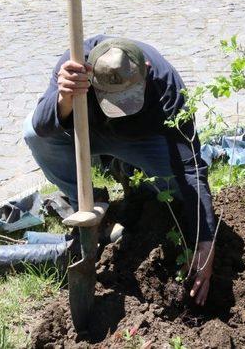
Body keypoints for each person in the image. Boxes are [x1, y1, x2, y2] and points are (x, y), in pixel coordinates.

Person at [23, 35, 215, 305]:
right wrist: (65, 97)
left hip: (144, 140)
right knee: (32, 135)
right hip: (91, 133)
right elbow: (41, 126)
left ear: (145, 70)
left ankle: (138, 187)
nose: (123, 109)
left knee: (176, 191)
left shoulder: (164, 82)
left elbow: (191, 169)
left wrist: (205, 241)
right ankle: (91, 204)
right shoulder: (75, 67)